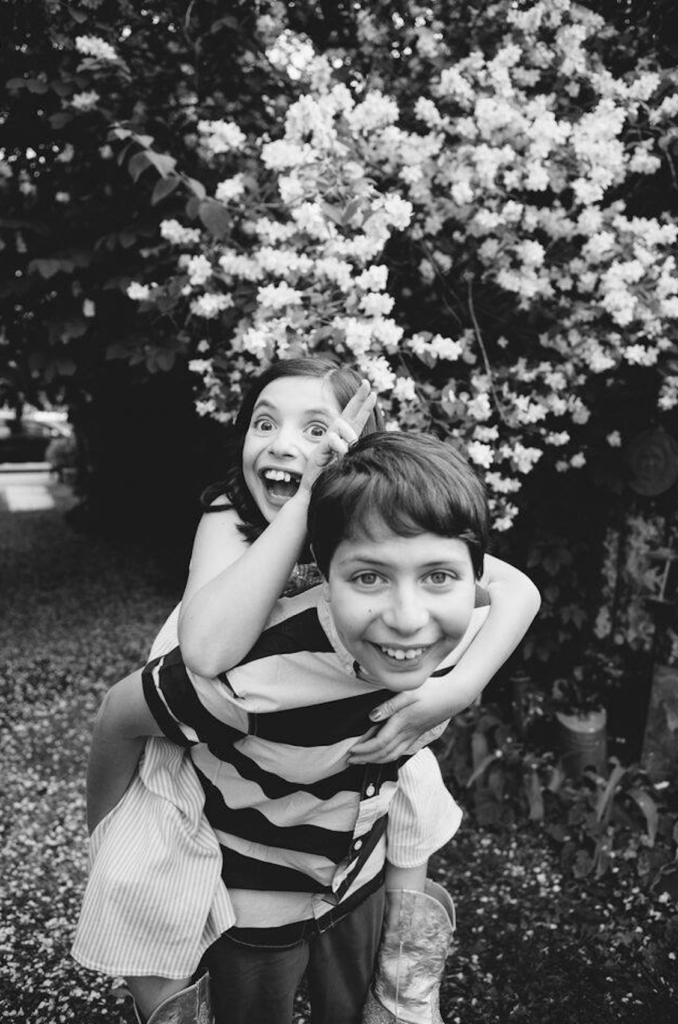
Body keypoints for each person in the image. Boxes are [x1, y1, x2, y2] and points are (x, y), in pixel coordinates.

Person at [72, 359, 540, 1021]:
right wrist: (305, 503)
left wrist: (458, 688)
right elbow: (205, 653)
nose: (287, 443)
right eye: (265, 422)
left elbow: (515, 589)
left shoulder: (382, 533)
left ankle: (404, 991)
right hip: (209, 720)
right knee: (149, 883)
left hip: (339, 739)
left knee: (409, 791)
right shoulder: (229, 512)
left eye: (317, 428)